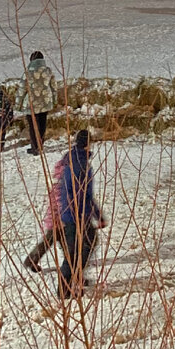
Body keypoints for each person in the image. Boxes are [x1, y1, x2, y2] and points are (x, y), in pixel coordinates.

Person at [56, 130, 106, 298]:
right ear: (88, 143)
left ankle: (76, 277)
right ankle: (64, 290)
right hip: (76, 215)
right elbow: (85, 195)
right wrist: (97, 216)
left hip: (70, 212)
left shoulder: (71, 158)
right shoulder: (81, 165)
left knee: (87, 243)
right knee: (76, 251)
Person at [16, 50, 59, 155]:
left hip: (32, 104)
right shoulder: (48, 71)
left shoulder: (28, 73)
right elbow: (54, 87)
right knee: (42, 124)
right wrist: (54, 100)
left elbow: (22, 89)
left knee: (33, 125)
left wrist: (18, 104)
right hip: (45, 102)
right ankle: (40, 146)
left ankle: (35, 147)